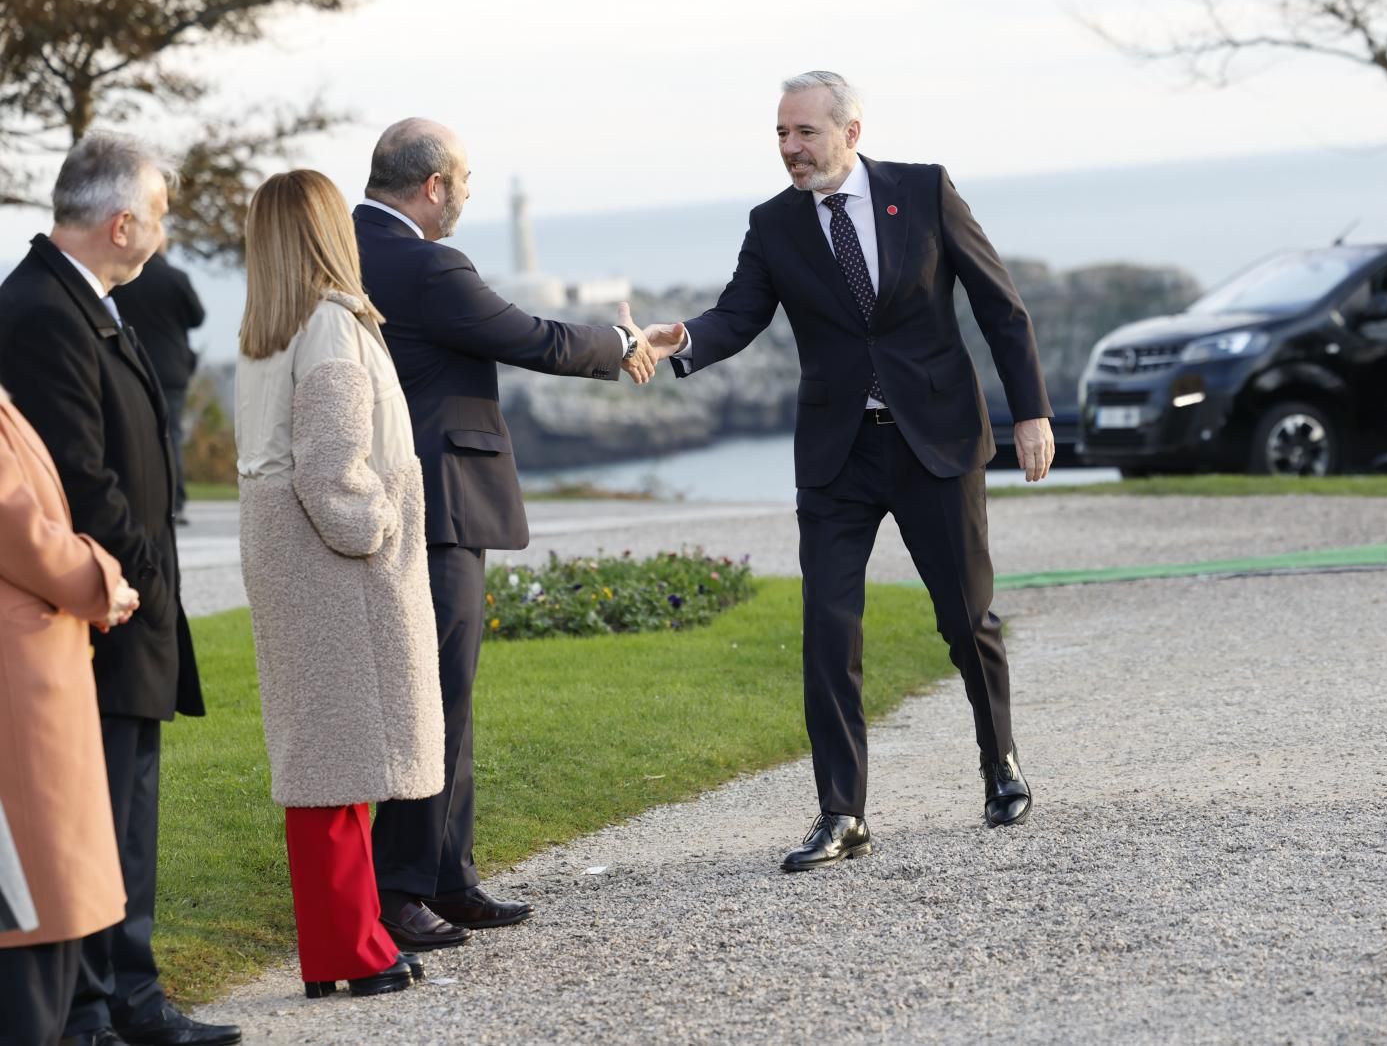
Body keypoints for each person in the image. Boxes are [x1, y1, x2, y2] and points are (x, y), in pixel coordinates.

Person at [649, 72, 1057, 872]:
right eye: (780, 135)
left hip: (934, 440)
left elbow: (998, 304)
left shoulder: (924, 191)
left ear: (851, 132)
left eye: (804, 133)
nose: (791, 149)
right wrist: (681, 341)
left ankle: (999, 762)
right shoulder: (774, 225)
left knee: (965, 617)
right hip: (838, 453)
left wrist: (1033, 412)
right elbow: (739, 314)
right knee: (828, 633)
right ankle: (842, 812)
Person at [352, 117, 680, 949]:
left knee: (439, 694)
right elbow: (528, 337)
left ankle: (449, 877)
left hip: (391, 492)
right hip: (442, 497)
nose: (467, 193)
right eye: (463, 179)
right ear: (432, 187)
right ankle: (404, 890)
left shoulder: (348, 245)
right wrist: (625, 343)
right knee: (437, 697)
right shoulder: (429, 263)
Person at [0, 132, 240, 1046]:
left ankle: (128, 998)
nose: (167, 235)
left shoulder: (85, 298)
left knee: (125, 814)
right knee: (90, 822)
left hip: (123, 599)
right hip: (98, 605)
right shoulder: (42, 310)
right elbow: (78, 475)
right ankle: (99, 1011)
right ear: (122, 221)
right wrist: (134, 575)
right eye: (162, 217)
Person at [234, 169, 444, 999]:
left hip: (288, 557)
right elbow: (333, 474)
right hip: (334, 566)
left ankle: (342, 950)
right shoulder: (330, 327)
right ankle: (350, 952)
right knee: (337, 770)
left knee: (326, 763)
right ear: (329, 232)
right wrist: (379, 522)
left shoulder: (265, 331)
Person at [0, 384, 140, 1046]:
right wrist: (101, 580)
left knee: (44, 912)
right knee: (28, 918)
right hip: (18, 677)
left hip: (34, 665)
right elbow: (15, 520)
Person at [111, 246, 205, 525]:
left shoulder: (121, 279)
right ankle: (174, 502)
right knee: (170, 435)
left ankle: (134, 498)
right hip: (171, 370)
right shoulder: (176, 278)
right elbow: (197, 317)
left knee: (132, 434)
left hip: (131, 363)